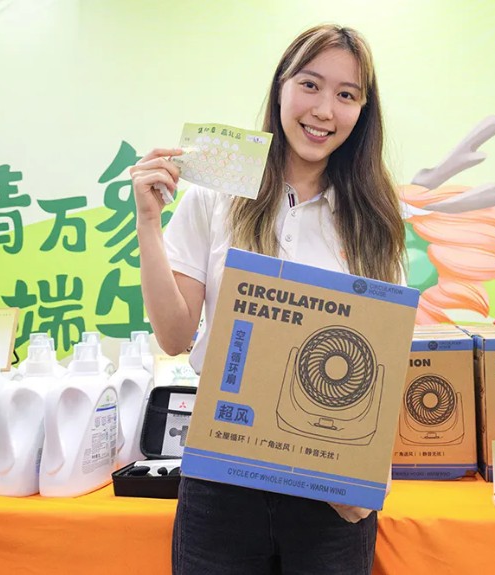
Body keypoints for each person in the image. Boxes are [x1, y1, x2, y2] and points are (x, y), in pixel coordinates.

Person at [130, 23, 405, 575]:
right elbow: (175, 336)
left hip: (328, 482)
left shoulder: (373, 217)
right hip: (222, 476)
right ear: (281, 86)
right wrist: (148, 223)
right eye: (310, 85)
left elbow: (383, 356)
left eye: (346, 95)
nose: (324, 110)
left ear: (362, 111)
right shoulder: (216, 194)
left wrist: (366, 472)